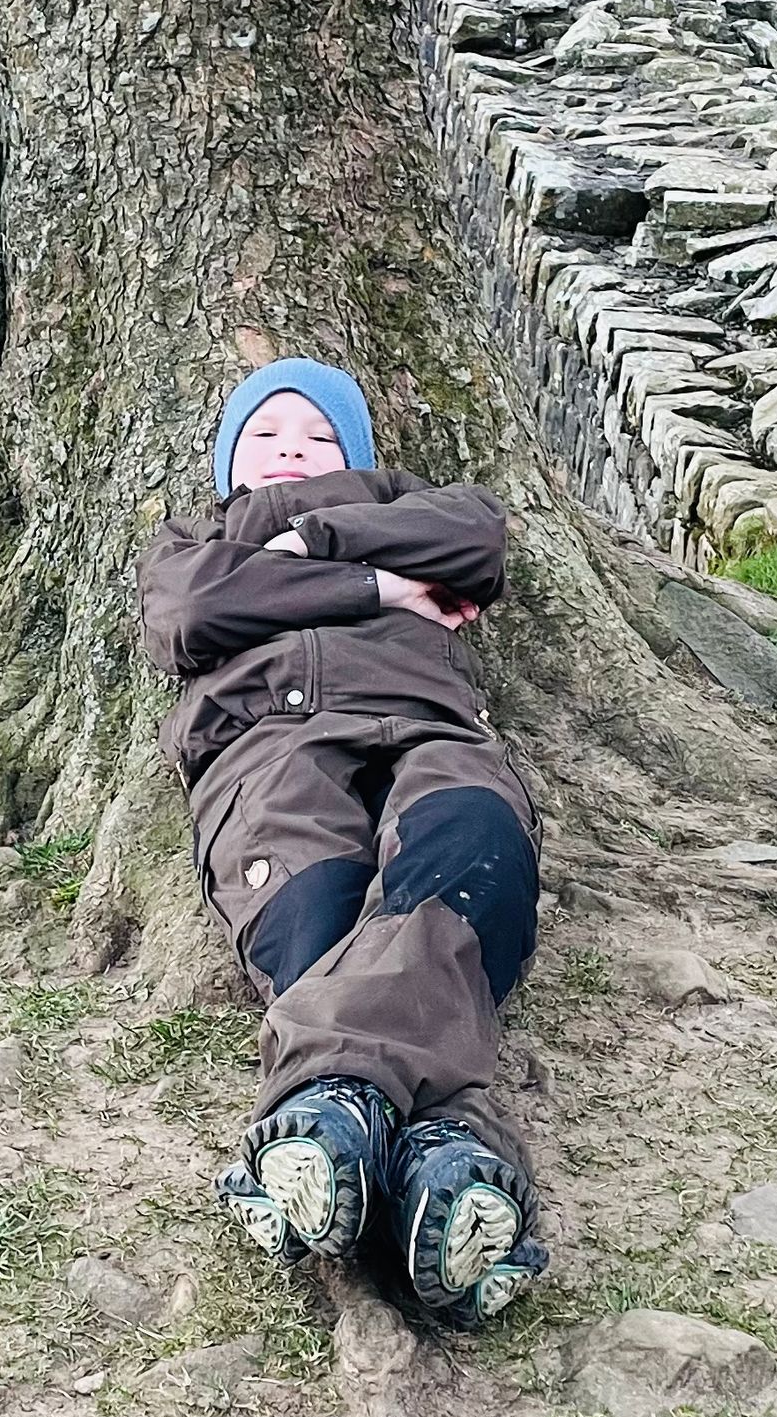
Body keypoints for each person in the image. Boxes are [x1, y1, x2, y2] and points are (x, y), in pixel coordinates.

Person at [138, 356, 546, 1327]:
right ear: (229, 463)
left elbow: (476, 539)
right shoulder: (190, 540)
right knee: (312, 912)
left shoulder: (408, 502)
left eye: (318, 438)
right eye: (267, 439)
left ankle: (329, 1115)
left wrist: (309, 538)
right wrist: (380, 585)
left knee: (472, 844)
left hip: (428, 726)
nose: (292, 452)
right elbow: (193, 613)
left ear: (354, 456)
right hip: (265, 750)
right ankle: (446, 1144)